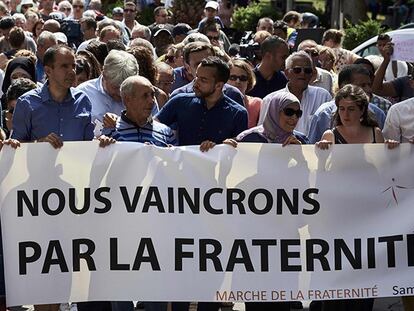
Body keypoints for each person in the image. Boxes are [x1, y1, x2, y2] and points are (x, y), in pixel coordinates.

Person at [259, 51, 332, 137]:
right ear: (286, 73)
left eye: (307, 71)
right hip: (280, 149)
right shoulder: (270, 100)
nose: (302, 73)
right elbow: (262, 132)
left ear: (312, 74)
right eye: (297, 70)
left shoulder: (323, 96)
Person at [308, 65, 387, 144]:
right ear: (344, 87)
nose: (368, 89)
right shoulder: (323, 114)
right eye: (362, 85)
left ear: (362, 110)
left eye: (369, 85)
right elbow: (312, 149)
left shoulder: (378, 115)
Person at [170, 42, 244, 106]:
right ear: (188, 68)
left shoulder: (233, 94)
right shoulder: (179, 96)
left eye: (209, 62)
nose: (205, 68)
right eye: (198, 64)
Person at [76, 49, 139, 125]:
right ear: (104, 74)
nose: (120, 93)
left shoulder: (144, 96)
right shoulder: (82, 94)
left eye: (125, 88)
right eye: (116, 87)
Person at [237, 91, 307, 146]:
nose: (294, 117)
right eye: (289, 112)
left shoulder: (301, 140)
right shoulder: (251, 138)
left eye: (298, 113)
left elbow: (310, 163)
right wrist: (228, 147)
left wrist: (300, 152)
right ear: (275, 111)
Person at [372, 37, 414, 102]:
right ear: (412, 83)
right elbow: (376, 89)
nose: (382, 48)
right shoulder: (404, 82)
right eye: (380, 45)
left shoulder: (400, 64)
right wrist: (386, 60)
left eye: (384, 45)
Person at [228, 59, 261, 128]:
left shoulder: (257, 104)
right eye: (233, 77)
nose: (238, 81)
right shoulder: (216, 102)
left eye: (243, 78)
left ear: (248, 81)